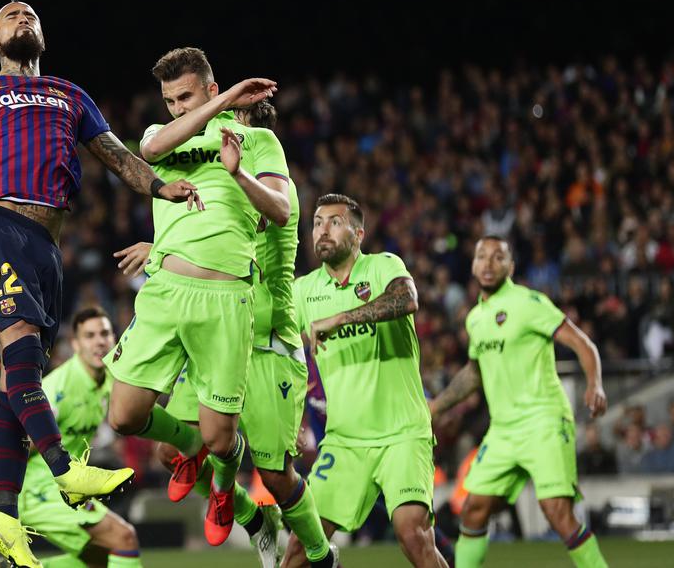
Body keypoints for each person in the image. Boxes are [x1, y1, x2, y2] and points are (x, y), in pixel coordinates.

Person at [0, 0, 205, 568]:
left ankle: (4, 518)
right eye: (8, 15)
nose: (22, 17)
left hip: (47, 247)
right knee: (22, 349)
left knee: (15, 381)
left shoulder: (70, 95)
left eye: (30, 14)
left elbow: (119, 157)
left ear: (43, 35)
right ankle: (65, 471)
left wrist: (159, 187)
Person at [114, 97, 333, 567]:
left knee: (276, 474)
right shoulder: (220, 178)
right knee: (169, 455)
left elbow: (256, 223)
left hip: (265, 338)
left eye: (233, 124)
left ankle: (320, 554)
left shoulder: (270, 180)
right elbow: (210, 232)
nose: (219, 133)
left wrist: (235, 173)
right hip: (215, 329)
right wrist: (162, 247)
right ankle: (253, 518)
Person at [102, 47, 289, 547]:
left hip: (225, 298)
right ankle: (194, 452)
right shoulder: (158, 137)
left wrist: (236, 172)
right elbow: (152, 150)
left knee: (220, 439)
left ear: (206, 87)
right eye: (170, 100)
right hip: (164, 292)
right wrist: (223, 101)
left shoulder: (258, 140)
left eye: (186, 96)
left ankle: (226, 488)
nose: (177, 107)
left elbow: (281, 212)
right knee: (123, 415)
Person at [281, 194, 446, 568]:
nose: (322, 230)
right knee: (299, 549)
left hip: (402, 433)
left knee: (412, 535)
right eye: (317, 223)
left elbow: (406, 298)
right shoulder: (303, 291)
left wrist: (341, 318)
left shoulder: (382, 266)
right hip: (345, 441)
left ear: (358, 234)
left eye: (334, 222)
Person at [429, 235, 609, 567]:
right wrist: (435, 408)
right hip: (503, 431)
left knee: (557, 512)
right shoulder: (475, 319)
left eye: (498, 257)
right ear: (472, 265)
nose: (488, 263)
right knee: (473, 509)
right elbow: (473, 373)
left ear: (510, 266)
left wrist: (595, 384)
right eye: (481, 256)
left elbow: (582, 343)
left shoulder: (528, 303)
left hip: (544, 420)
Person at [0, 308, 144, 567]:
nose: (99, 341)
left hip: (62, 487)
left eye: (105, 333)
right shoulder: (58, 387)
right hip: (39, 488)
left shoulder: (108, 380)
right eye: (90, 335)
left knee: (99, 558)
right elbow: (19, 443)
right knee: (123, 538)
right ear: (76, 344)